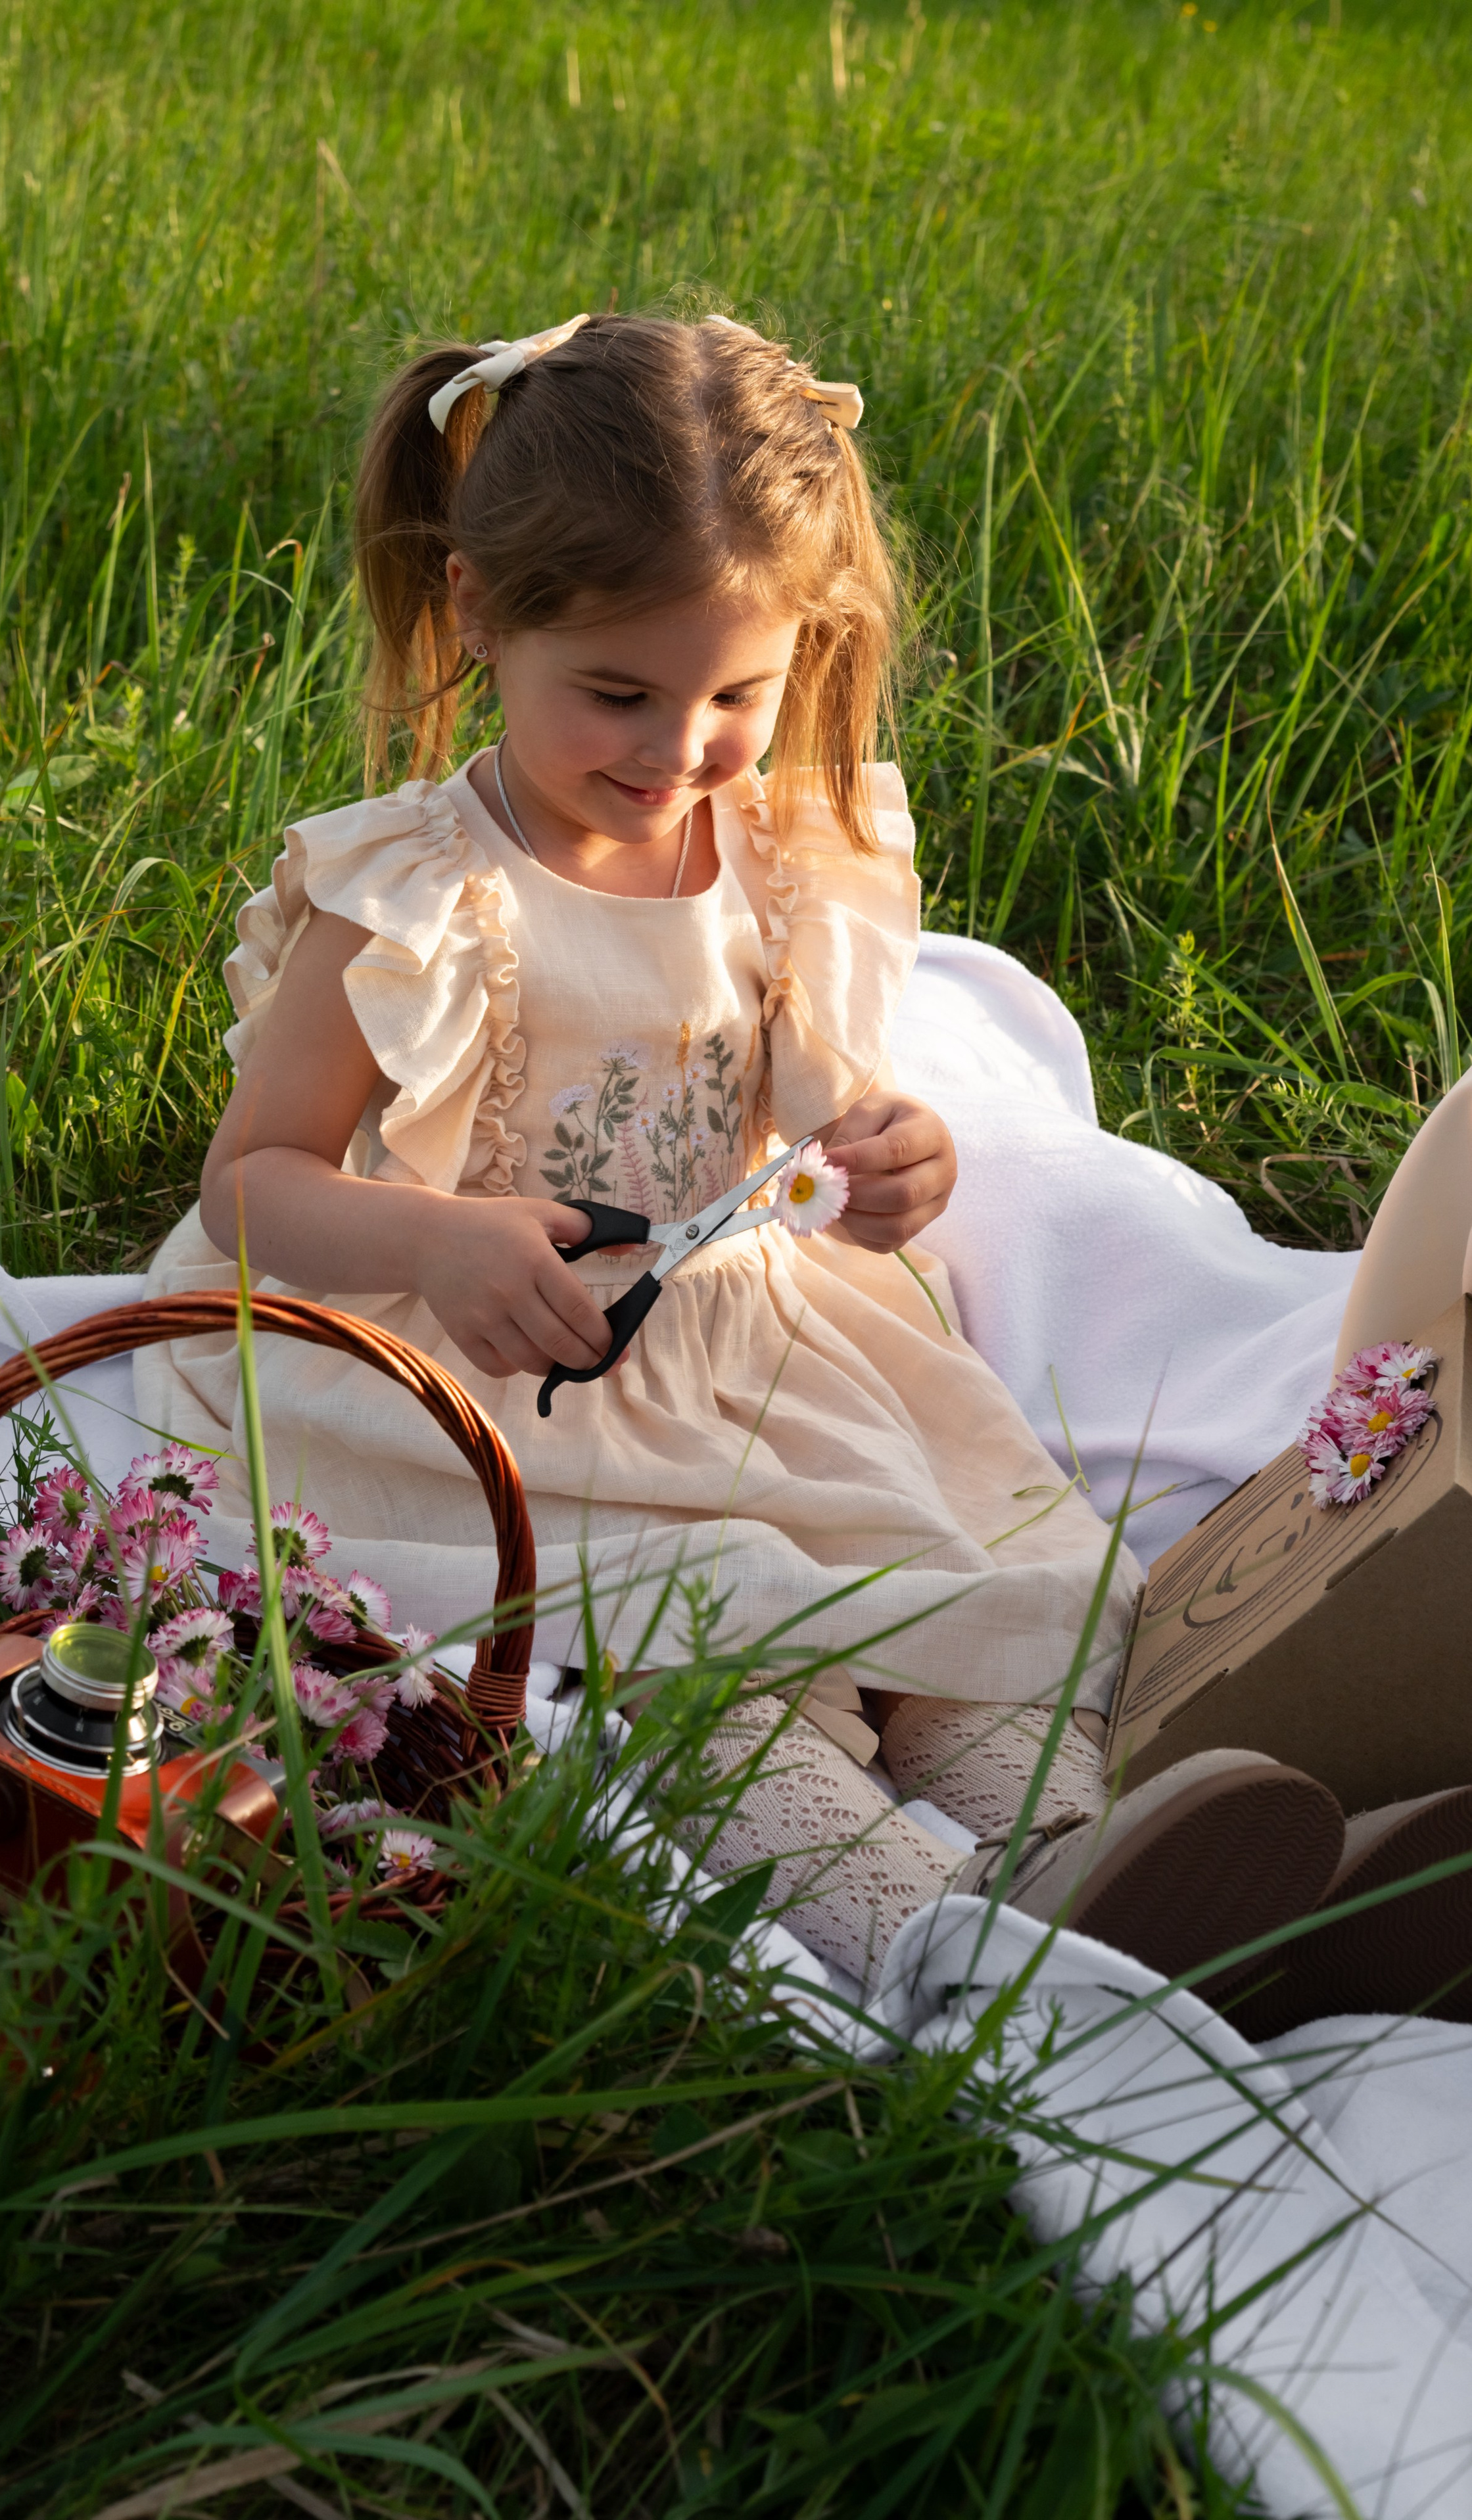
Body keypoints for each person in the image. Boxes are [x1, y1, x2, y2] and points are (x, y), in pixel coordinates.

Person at [137, 312, 1472, 2011]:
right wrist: (434, 1236)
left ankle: (1113, 1871)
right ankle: (950, 1936)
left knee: (970, 1603)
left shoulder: (776, 852)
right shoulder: (414, 894)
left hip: (761, 1348)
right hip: (514, 1384)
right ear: (477, 614)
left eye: (735, 697)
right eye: (618, 694)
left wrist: (896, 1155)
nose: (677, 747)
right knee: (717, 1665)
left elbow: (818, 1109)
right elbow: (252, 1179)